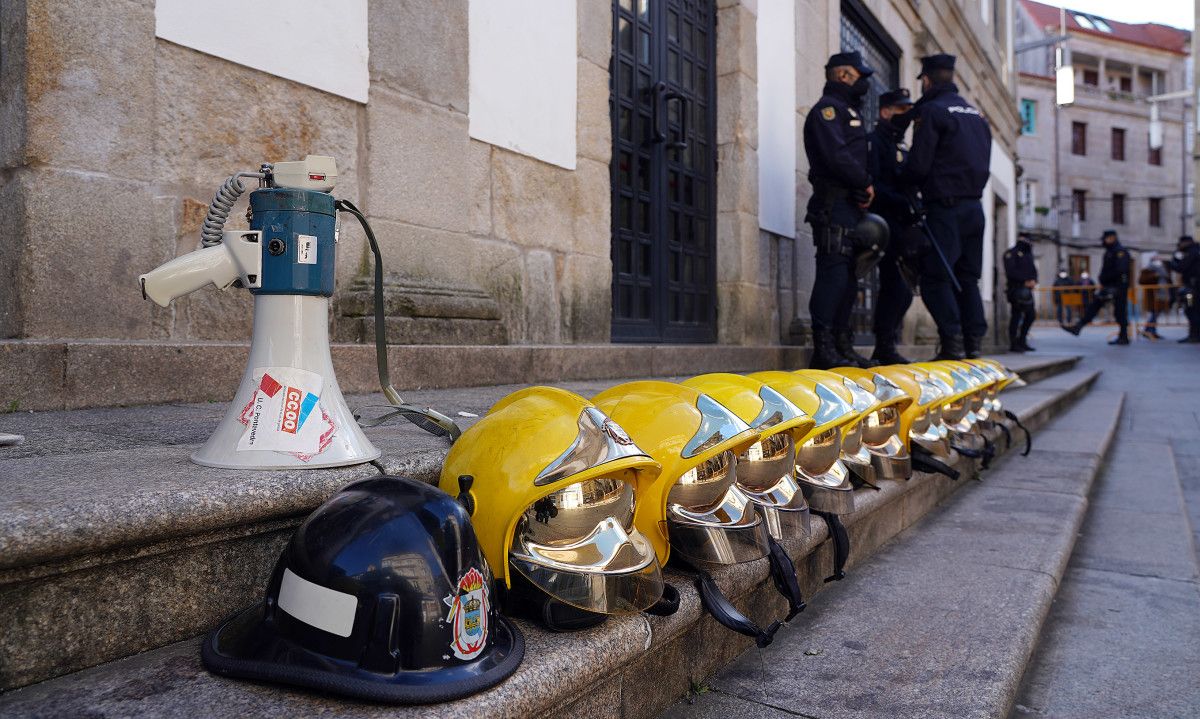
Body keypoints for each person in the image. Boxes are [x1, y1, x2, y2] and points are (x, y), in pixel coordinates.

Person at [902, 54, 993, 360]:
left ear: (927, 80)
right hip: (975, 209)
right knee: (968, 277)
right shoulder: (976, 115)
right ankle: (974, 344)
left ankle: (951, 343)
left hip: (946, 208)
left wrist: (902, 181)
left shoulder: (932, 111)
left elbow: (919, 163)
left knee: (936, 277)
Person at [803, 50, 877, 369]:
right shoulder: (828, 110)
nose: (863, 83)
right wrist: (865, 181)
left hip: (850, 205)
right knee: (833, 274)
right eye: (859, 76)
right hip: (833, 204)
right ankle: (823, 348)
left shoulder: (847, 110)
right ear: (844, 75)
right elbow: (837, 156)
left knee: (849, 278)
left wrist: (862, 187)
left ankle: (842, 344)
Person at [867, 88, 918, 364]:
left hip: (901, 224)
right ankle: (884, 343)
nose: (906, 116)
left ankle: (887, 342)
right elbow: (875, 182)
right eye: (901, 110)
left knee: (903, 290)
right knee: (894, 286)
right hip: (882, 223)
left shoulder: (901, 145)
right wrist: (900, 199)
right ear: (886, 111)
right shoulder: (876, 142)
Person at [1062, 230, 1131, 344]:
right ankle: (1078, 327)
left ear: (1112, 238)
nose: (1103, 241)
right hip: (1109, 286)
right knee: (1095, 306)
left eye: (1106, 238)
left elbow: (1121, 270)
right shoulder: (1110, 252)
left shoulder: (1120, 252)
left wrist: (1107, 279)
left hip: (1118, 287)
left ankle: (1123, 336)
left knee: (1119, 311)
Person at [1003, 236, 1038, 352]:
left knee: (1031, 315)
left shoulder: (1028, 254)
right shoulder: (1011, 253)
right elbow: (1011, 272)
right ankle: (1014, 343)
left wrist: (1033, 280)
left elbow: (1033, 270)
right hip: (1016, 290)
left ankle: (1022, 340)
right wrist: (1024, 281)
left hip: (1027, 291)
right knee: (1016, 316)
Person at [1165, 235, 1199, 343]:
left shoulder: (1192, 253)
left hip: (1192, 289)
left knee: (1191, 310)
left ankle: (1194, 335)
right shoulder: (1196, 251)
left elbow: (1181, 267)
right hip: (1195, 288)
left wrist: (1172, 262)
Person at [1138, 253, 1169, 340]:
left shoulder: (1162, 268)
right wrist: (1154, 276)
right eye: (1156, 258)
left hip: (1161, 294)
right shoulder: (1147, 269)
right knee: (1154, 313)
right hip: (1152, 295)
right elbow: (1142, 280)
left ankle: (1151, 330)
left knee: (1156, 313)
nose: (1159, 259)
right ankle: (1149, 330)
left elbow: (1167, 278)